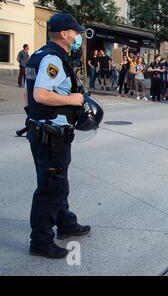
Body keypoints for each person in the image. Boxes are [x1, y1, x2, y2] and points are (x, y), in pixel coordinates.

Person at [24, 13, 91, 259]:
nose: (78, 37)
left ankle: (66, 224)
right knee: (50, 188)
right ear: (64, 34)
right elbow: (40, 94)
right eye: (75, 33)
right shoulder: (52, 59)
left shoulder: (39, 55)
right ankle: (41, 242)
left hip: (41, 129)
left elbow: (27, 95)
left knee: (57, 182)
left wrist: (34, 117)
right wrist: (71, 99)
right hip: (51, 134)